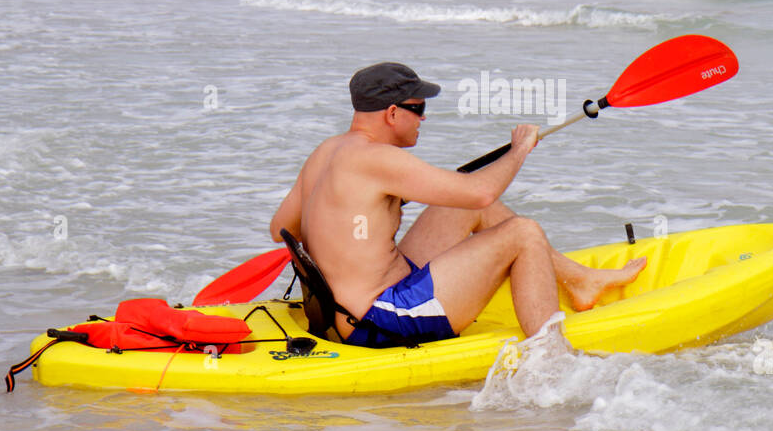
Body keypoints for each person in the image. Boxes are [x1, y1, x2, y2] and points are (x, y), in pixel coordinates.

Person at [270, 63, 646, 347]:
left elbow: (280, 229)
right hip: (379, 320)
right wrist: (518, 151)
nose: (424, 117)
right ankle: (551, 360)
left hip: (342, 310)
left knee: (465, 208)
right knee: (523, 233)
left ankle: (580, 281)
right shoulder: (377, 159)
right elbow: (480, 191)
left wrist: (355, 215)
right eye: (417, 108)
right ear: (392, 113)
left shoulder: (326, 152)